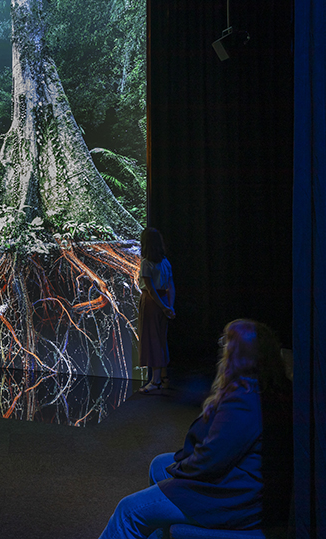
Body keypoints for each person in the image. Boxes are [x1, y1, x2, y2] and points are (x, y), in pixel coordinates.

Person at [99, 319, 293, 538]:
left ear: (240, 353)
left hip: (236, 498)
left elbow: (212, 457)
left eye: (226, 343)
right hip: (244, 483)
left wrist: (180, 469)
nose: (222, 349)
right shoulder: (268, 388)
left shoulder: (244, 399)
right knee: (159, 464)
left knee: (128, 511)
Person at [137, 227, 176, 394]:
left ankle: (156, 381)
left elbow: (151, 290)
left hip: (152, 303)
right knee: (161, 338)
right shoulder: (165, 262)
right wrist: (169, 306)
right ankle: (164, 377)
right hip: (164, 300)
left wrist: (163, 307)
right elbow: (170, 286)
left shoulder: (146, 263)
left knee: (153, 339)